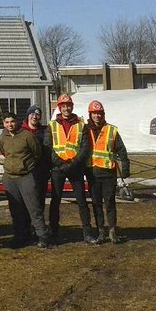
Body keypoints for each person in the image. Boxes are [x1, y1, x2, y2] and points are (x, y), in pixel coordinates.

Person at [49, 93, 95, 244]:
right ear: (59, 108)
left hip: (75, 168)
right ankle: (54, 232)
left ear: (72, 107)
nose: (66, 108)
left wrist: (73, 163)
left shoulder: (81, 125)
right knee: (55, 201)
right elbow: (48, 147)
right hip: (58, 168)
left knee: (82, 200)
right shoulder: (52, 125)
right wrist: (60, 163)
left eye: (68, 105)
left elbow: (85, 147)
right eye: (63, 106)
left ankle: (87, 232)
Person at [0, 112, 50, 249]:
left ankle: (42, 236)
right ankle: (20, 236)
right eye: (7, 122)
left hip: (26, 176)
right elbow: (4, 152)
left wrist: (27, 165)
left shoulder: (27, 136)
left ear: (17, 122)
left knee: (34, 208)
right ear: (4, 124)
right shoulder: (3, 137)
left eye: (12, 121)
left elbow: (37, 152)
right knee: (16, 210)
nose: (10, 124)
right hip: (10, 177)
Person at [83, 100, 130, 244]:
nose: (97, 116)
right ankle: (100, 231)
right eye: (94, 114)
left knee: (110, 203)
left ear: (103, 115)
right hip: (92, 173)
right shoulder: (84, 130)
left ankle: (112, 231)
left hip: (109, 173)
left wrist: (125, 166)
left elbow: (121, 149)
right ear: (90, 115)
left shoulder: (112, 130)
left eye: (99, 114)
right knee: (96, 203)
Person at [25, 106, 52, 225]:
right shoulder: (21, 131)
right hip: (25, 173)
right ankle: (26, 227)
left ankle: (39, 228)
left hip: (41, 171)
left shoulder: (45, 131)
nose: (34, 117)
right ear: (28, 116)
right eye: (32, 114)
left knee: (40, 201)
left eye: (37, 115)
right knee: (26, 202)